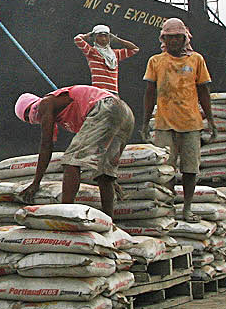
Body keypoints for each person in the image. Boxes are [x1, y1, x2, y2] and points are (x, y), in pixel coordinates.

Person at [14, 85, 136, 218]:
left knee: (71, 162)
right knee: (104, 174)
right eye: (26, 118)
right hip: (124, 113)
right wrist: (112, 181)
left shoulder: (45, 103)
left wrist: (36, 183)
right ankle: (108, 221)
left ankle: (64, 214)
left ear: (33, 103)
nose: (31, 117)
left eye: (28, 111)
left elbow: (46, 144)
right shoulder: (65, 117)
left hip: (106, 107)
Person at [141, 17, 216, 218]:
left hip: (191, 123)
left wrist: (211, 121)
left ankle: (187, 207)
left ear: (184, 38)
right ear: (164, 39)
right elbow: (150, 93)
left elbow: (204, 92)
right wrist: (145, 122)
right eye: (169, 37)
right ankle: (168, 206)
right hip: (164, 124)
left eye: (177, 37)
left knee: (190, 169)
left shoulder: (196, 60)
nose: (173, 41)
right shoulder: (155, 61)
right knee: (166, 169)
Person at [74, 23, 138, 94]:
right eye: (100, 36)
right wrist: (87, 36)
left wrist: (117, 40)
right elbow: (77, 39)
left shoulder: (115, 54)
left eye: (106, 36)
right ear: (94, 37)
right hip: (98, 92)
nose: (103, 39)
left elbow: (134, 49)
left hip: (113, 93)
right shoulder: (92, 52)